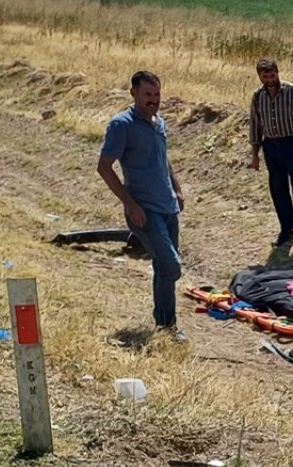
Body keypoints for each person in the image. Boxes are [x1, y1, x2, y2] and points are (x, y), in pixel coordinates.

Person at [97, 70, 187, 343]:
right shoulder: (121, 125)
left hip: (168, 207)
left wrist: (177, 188)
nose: (153, 100)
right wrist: (131, 205)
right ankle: (164, 323)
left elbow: (163, 159)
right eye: (147, 94)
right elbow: (104, 167)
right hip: (144, 211)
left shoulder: (159, 123)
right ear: (133, 93)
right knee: (171, 267)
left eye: (157, 94)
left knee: (163, 268)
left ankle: (166, 327)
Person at [249, 58, 293, 247]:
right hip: (271, 146)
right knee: (278, 189)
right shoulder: (257, 97)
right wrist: (255, 154)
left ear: (277, 73)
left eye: (272, 75)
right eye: (265, 76)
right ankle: (286, 230)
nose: (270, 79)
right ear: (260, 77)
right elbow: (255, 125)